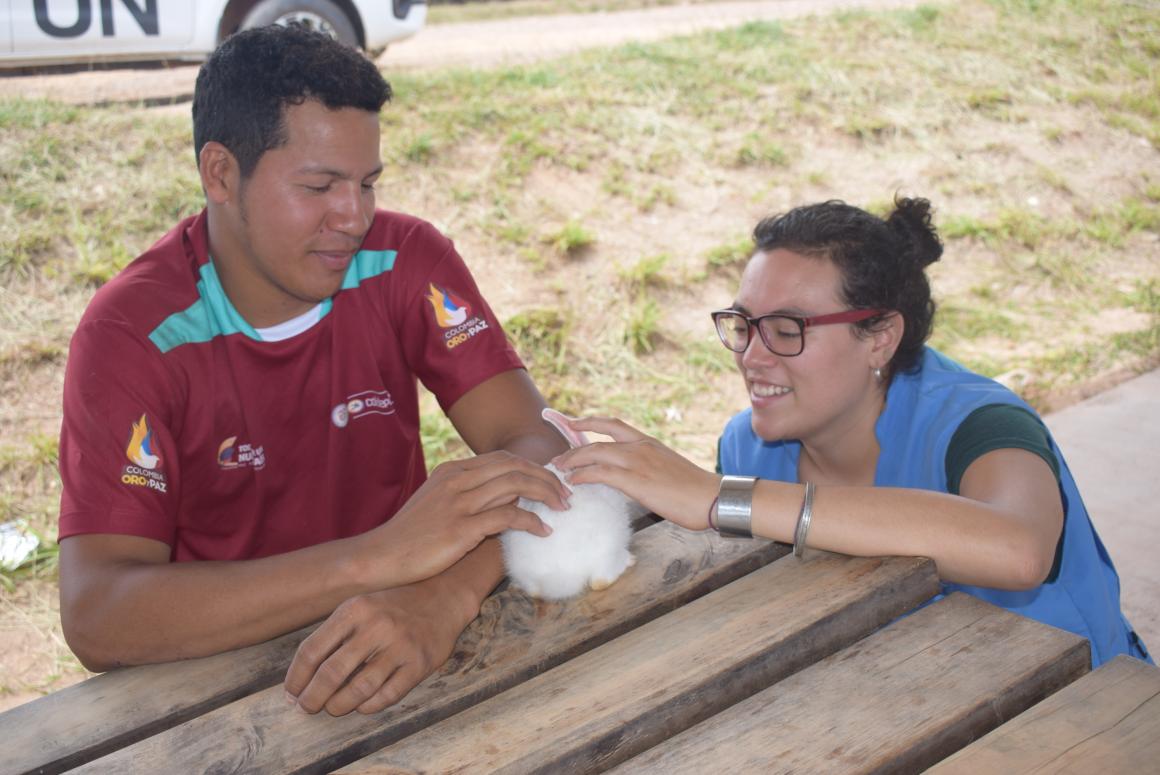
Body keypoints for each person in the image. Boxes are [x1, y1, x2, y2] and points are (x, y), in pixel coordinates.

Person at [56, 24, 574, 717]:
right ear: (220, 174)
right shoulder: (131, 334)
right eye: (319, 185)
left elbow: (544, 445)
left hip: (405, 641)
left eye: (367, 183)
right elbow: (97, 614)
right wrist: (376, 559)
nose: (354, 217)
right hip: (215, 688)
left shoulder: (403, 258)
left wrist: (445, 593)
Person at [553, 197, 1151, 668]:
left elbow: (1019, 551)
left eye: (787, 328)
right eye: (743, 324)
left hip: (1073, 717)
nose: (752, 356)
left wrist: (721, 498)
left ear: (880, 339)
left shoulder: (980, 424)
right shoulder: (748, 447)